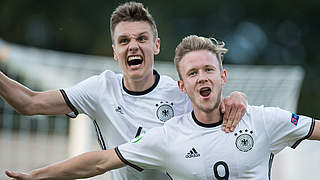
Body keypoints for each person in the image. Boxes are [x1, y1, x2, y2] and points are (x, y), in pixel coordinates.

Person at [5, 35, 320, 180]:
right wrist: (38, 176)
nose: (202, 78)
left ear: (222, 76)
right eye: (192, 73)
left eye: (209, 70)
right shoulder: (169, 137)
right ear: (182, 86)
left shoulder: (263, 120)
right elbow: (100, 162)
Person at [0, 2, 247, 180]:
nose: (133, 46)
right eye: (124, 41)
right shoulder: (100, 89)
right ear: (114, 51)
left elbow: (217, 106)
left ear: (156, 45)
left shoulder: (180, 93)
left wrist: (237, 97)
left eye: (141, 39)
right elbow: (29, 103)